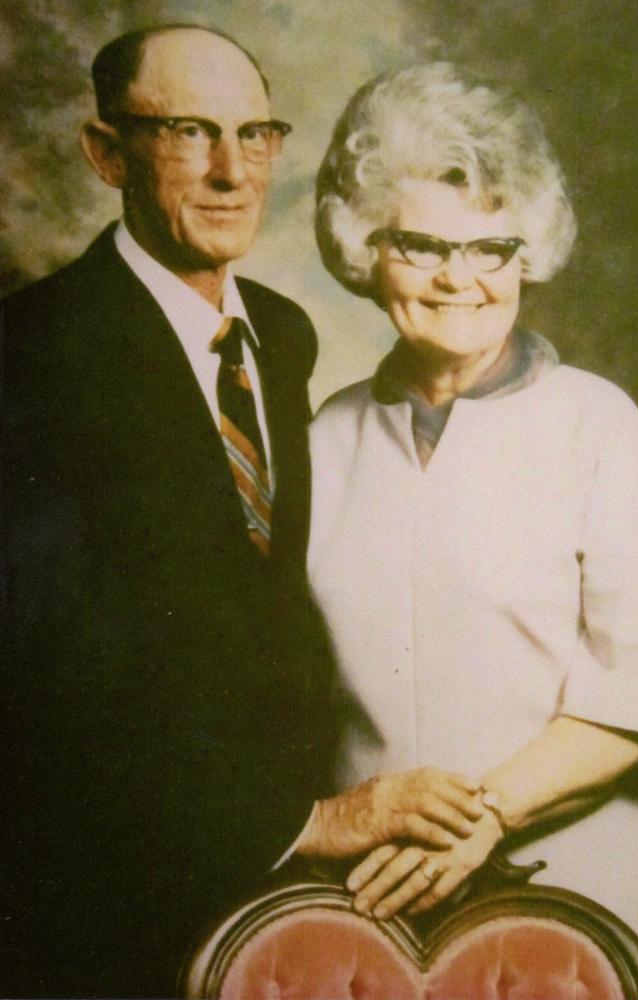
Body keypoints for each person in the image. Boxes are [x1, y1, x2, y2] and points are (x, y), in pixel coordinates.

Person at [299, 63, 638, 969]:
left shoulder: (596, 425)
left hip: (573, 895)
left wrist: (487, 815)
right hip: (364, 905)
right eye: (421, 245)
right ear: (362, 246)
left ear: (525, 253)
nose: (457, 278)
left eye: (490, 248)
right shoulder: (324, 437)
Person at [2, 24, 338, 998]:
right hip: (103, 905)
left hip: (277, 903)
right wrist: (300, 823)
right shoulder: (29, 354)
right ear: (106, 152)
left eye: (254, 134)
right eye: (190, 132)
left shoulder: (282, 334)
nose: (232, 172)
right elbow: (49, 679)